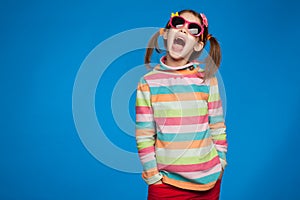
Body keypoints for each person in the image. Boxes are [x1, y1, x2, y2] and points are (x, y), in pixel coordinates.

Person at [135, 9, 227, 200]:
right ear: (166, 34)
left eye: (193, 29)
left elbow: (217, 126)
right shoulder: (148, 82)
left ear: (198, 45)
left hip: (208, 182)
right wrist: (152, 176)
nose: (184, 30)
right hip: (166, 185)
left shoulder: (206, 79)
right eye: (179, 23)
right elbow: (144, 135)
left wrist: (221, 162)